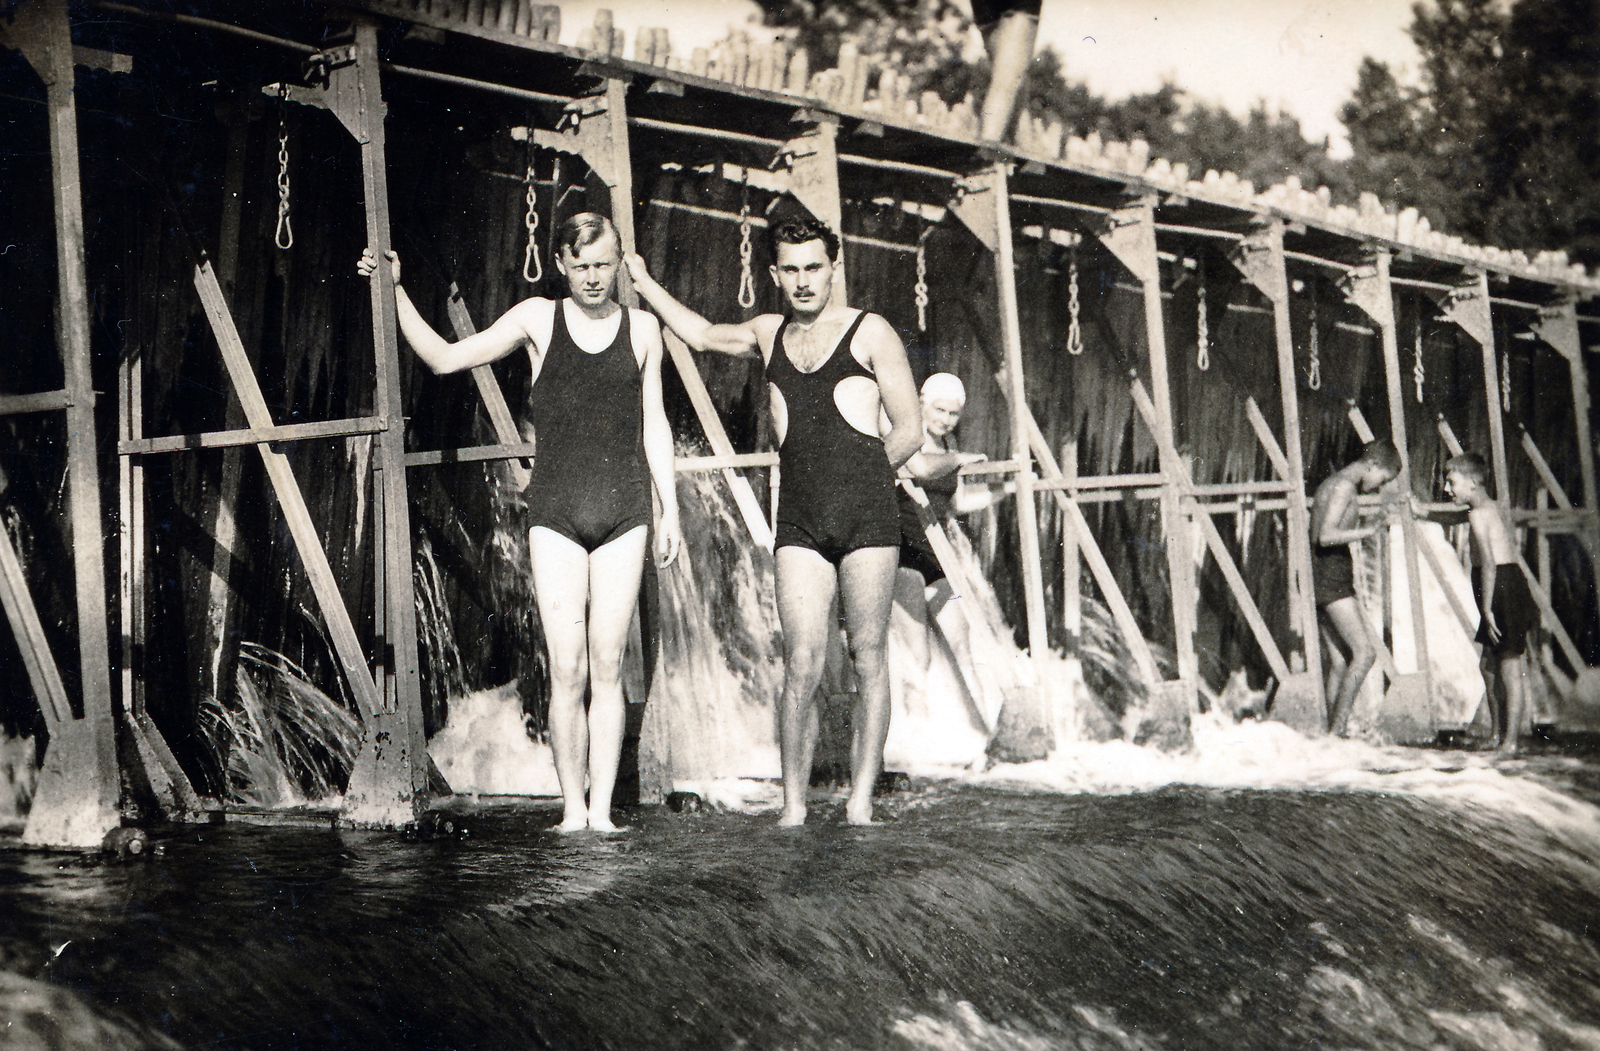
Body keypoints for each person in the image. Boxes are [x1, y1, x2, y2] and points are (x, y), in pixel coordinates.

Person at [358, 213, 680, 832]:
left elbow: (655, 424)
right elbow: (446, 359)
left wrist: (668, 509)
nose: (593, 278)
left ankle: (605, 814)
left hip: (626, 511)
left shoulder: (643, 330)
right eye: (581, 266)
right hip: (556, 512)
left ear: (619, 264)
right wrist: (394, 290)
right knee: (567, 668)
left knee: (608, 666)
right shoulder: (537, 318)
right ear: (561, 264)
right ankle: (572, 810)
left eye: (603, 265)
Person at [625, 215, 921, 825]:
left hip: (868, 516)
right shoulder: (767, 332)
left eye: (815, 267)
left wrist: (863, 479)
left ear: (834, 268)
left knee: (868, 655)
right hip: (801, 523)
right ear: (775, 274)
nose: (805, 280)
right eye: (792, 269)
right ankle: (793, 808)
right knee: (801, 662)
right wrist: (644, 282)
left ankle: (860, 803)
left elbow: (912, 429)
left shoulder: (871, 333)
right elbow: (702, 335)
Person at [894, 373, 1006, 728]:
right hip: (902, 554)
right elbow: (923, 469)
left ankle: (982, 730)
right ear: (922, 404)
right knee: (918, 656)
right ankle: (918, 736)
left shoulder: (948, 446)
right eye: (939, 410)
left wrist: (1005, 490)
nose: (945, 419)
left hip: (936, 557)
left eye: (953, 414)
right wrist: (961, 458)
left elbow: (956, 503)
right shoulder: (904, 438)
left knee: (963, 645)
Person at [1445, 452, 1538, 754]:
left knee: (1509, 666)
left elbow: (1488, 563)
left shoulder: (1478, 514)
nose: (1447, 489)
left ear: (1473, 482)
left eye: (1452, 482)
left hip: (1502, 587)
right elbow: (1454, 516)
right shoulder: (1485, 507)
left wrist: (1486, 609)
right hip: (1500, 585)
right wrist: (1423, 512)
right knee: (1488, 665)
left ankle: (1510, 741)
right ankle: (1497, 734)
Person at [1310, 438, 1402, 736]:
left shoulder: (1332, 483)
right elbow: (1325, 536)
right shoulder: (1344, 486)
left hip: (1322, 573)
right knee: (1364, 654)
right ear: (1372, 465)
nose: (1377, 486)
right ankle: (1337, 733)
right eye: (1382, 479)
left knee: (1340, 661)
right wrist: (1368, 530)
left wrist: (1365, 522)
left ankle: (1330, 734)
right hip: (1331, 574)